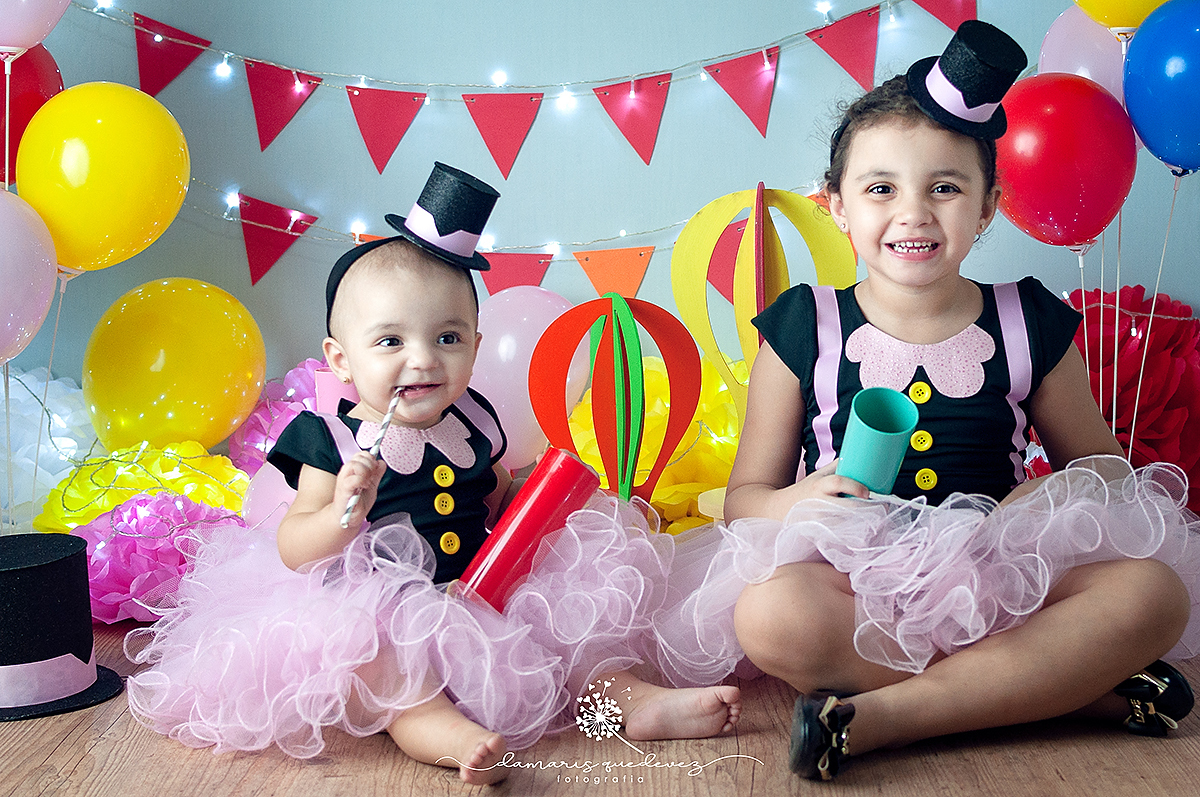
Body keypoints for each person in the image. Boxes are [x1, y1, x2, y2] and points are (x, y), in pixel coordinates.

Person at [650, 21, 1200, 781]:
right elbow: (745, 499)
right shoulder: (804, 324)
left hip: (1001, 572)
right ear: (836, 205)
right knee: (769, 616)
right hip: (852, 581)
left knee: (1155, 594)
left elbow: (1105, 467)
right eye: (881, 188)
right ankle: (1065, 692)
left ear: (986, 207)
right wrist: (800, 501)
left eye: (945, 187)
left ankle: (893, 714)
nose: (913, 212)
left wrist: (1049, 492)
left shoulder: (1027, 318)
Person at [124, 163, 739, 786]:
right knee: (386, 666)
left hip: (481, 592)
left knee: (568, 634)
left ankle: (626, 705)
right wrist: (344, 512)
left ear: (474, 346)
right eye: (390, 341)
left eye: (447, 337)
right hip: (384, 605)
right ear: (341, 359)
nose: (423, 359)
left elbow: (493, 495)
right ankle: (446, 735)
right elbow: (294, 546)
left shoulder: (473, 419)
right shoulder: (331, 438)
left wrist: (544, 501)